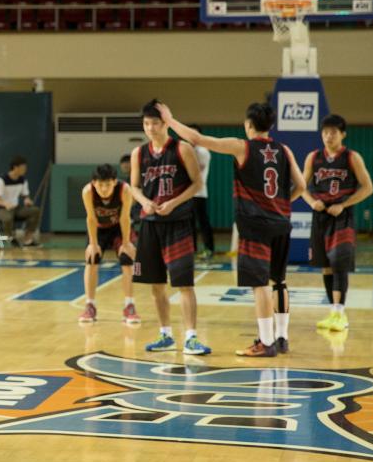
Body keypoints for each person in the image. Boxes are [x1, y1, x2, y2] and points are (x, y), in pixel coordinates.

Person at [159, 103, 304, 357]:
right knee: (279, 282)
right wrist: (281, 204)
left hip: (256, 225)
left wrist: (170, 119)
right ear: (270, 125)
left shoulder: (242, 146)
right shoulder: (284, 149)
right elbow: (301, 185)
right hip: (281, 223)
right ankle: (282, 338)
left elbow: (196, 138)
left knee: (259, 284)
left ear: (249, 125)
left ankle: (266, 342)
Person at [129, 100, 210, 355]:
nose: (150, 128)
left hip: (178, 223)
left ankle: (191, 337)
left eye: (155, 123)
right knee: (156, 284)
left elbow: (197, 184)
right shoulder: (138, 154)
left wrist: (173, 203)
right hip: (151, 224)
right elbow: (134, 186)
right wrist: (145, 202)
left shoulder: (182, 148)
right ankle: (165, 334)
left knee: (184, 283)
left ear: (165, 123)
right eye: (146, 124)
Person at [304, 114, 373, 333]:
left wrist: (344, 204)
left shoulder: (352, 157)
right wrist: (311, 201)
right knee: (325, 266)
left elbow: (367, 187)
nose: (328, 136)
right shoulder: (313, 157)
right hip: (321, 216)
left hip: (342, 217)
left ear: (343, 134)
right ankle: (332, 312)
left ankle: (340, 314)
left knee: (339, 263)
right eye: (325, 132)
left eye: (333, 132)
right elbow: (301, 186)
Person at [79, 163, 140, 325]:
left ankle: (129, 305)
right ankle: (90, 305)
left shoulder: (124, 190)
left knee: (127, 259)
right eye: (100, 185)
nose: (104, 189)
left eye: (107, 185)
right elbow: (90, 218)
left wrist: (126, 243)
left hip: (119, 228)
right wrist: (92, 243)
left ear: (114, 182)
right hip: (99, 228)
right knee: (92, 260)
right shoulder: (88, 191)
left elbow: (125, 218)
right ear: (93, 183)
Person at [0, 156, 41, 247]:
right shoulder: (2, 180)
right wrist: (5, 204)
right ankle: (11, 238)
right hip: (1, 209)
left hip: (16, 208)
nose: (25, 170)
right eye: (23, 168)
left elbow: (25, 195)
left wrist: (27, 200)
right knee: (7, 217)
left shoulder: (23, 180)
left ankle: (28, 239)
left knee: (35, 211)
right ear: (15, 167)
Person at [188, 124, 214, 260]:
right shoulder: (188, 149)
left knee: (202, 222)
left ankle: (209, 249)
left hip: (199, 192)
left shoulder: (202, 151)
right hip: (187, 193)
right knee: (189, 223)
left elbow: (195, 171)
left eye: (194, 133)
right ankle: (192, 250)